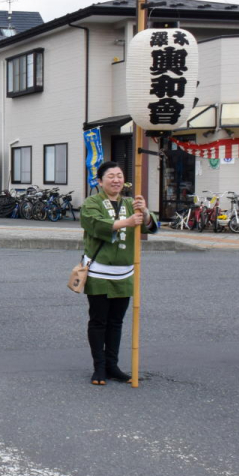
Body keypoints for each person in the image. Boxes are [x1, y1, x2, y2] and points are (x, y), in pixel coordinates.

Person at [80, 161, 158, 386]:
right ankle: (99, 366)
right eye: (111, 176)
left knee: (116, 322)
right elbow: (94, 224)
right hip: (99, 271)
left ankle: (113, 365)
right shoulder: (92, 202)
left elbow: (149, 226)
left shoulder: (130, 203)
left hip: (124, 272)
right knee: (98, 320)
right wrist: (128, 221)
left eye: (119, 175)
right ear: (100, 181)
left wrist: (144, 212)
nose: (116, 180)